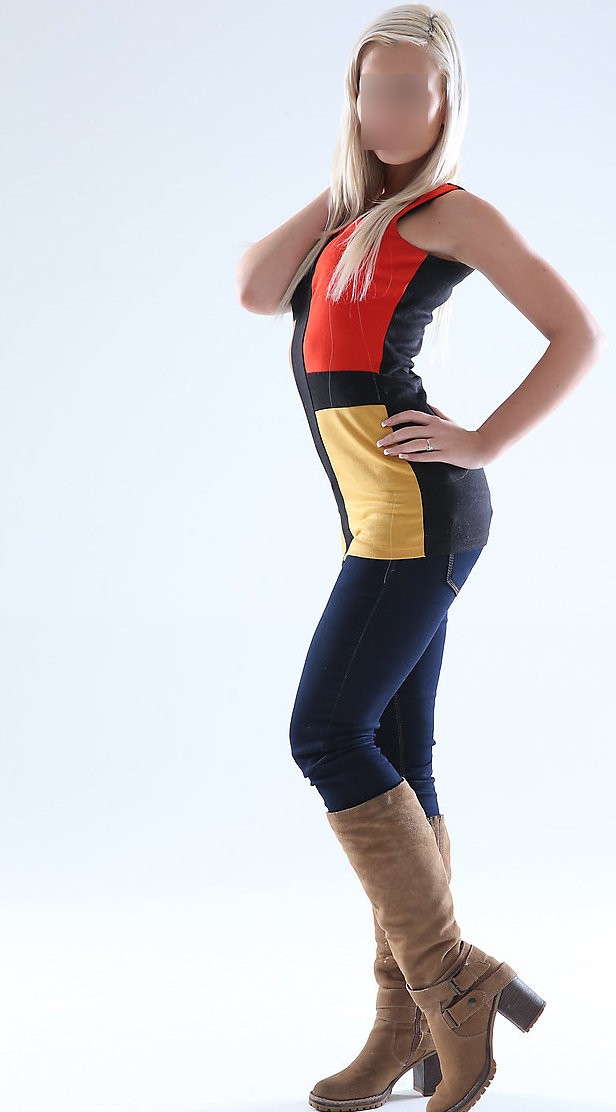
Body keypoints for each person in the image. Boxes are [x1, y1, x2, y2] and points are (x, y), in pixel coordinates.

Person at [236, 6, 608, 1111]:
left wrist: (483, 439)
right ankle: (407, 1025)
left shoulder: (452, 213)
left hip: (419, 514)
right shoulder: (356, 216)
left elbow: (578, 332)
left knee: (324, 733)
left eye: (410, 92)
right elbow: (255, 287)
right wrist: (347, 182)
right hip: (378, 518)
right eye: (371, 90)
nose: (388, 109)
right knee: (401, 752)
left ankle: (453, 982)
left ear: (446, 104)